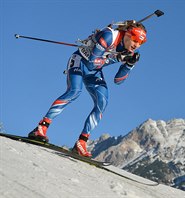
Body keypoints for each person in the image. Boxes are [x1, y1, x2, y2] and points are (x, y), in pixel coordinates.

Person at [28, 20, 147, 157]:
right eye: (135, 40)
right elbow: (91, 63)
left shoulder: (129, 52)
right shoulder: (109, 36)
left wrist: (129, 65)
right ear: (127, 34)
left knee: (102, 102)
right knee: (75, 91)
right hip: (80, 61)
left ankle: (82, 142)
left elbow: (118, 81)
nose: (136, 45)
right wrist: (118, 57)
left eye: (140, 43)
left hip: (94, 72)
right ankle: (41, 127)